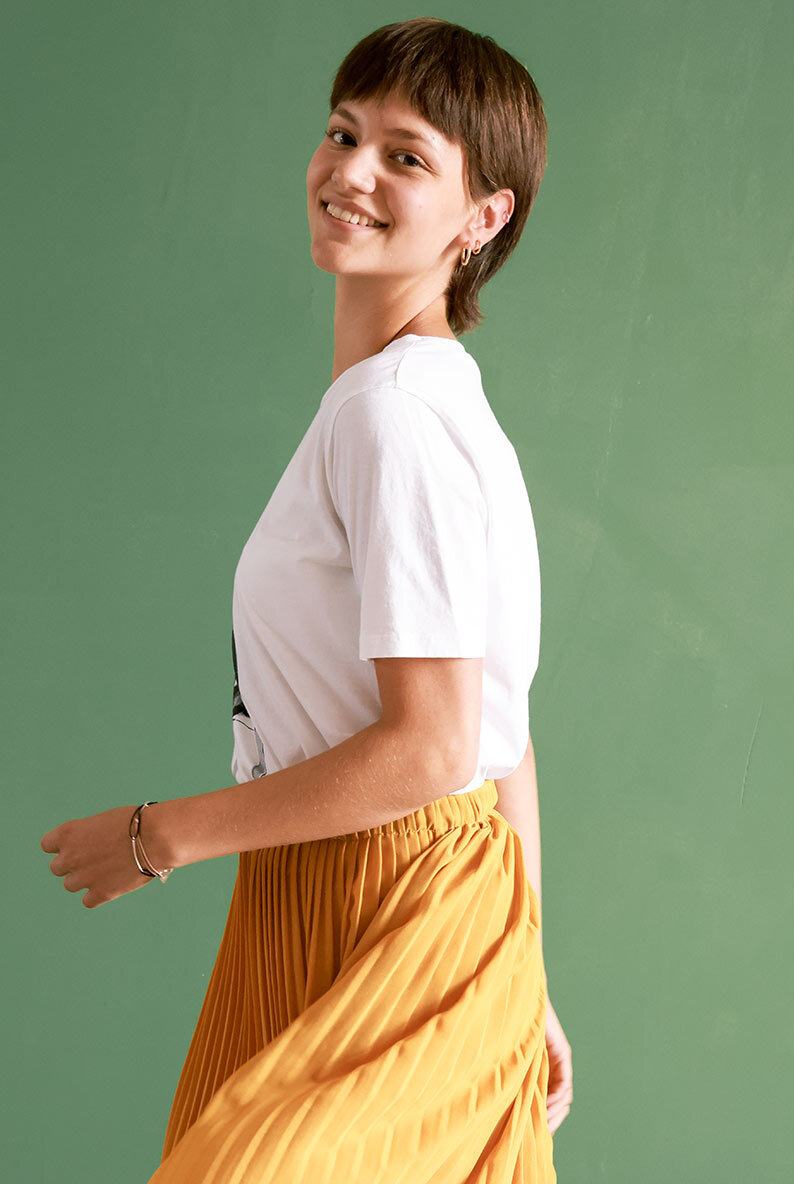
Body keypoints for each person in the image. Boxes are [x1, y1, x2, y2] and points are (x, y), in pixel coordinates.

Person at [40, 16, 573, 1181]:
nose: (350, 171)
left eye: (405, 156)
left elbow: (437, 745)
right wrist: (522, 965)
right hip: (341, 895)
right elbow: (502, 729)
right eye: (342, 133)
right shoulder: (410, 404)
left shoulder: (396, 415)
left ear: (483, 218)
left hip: (396, 897)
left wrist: (156, 836)